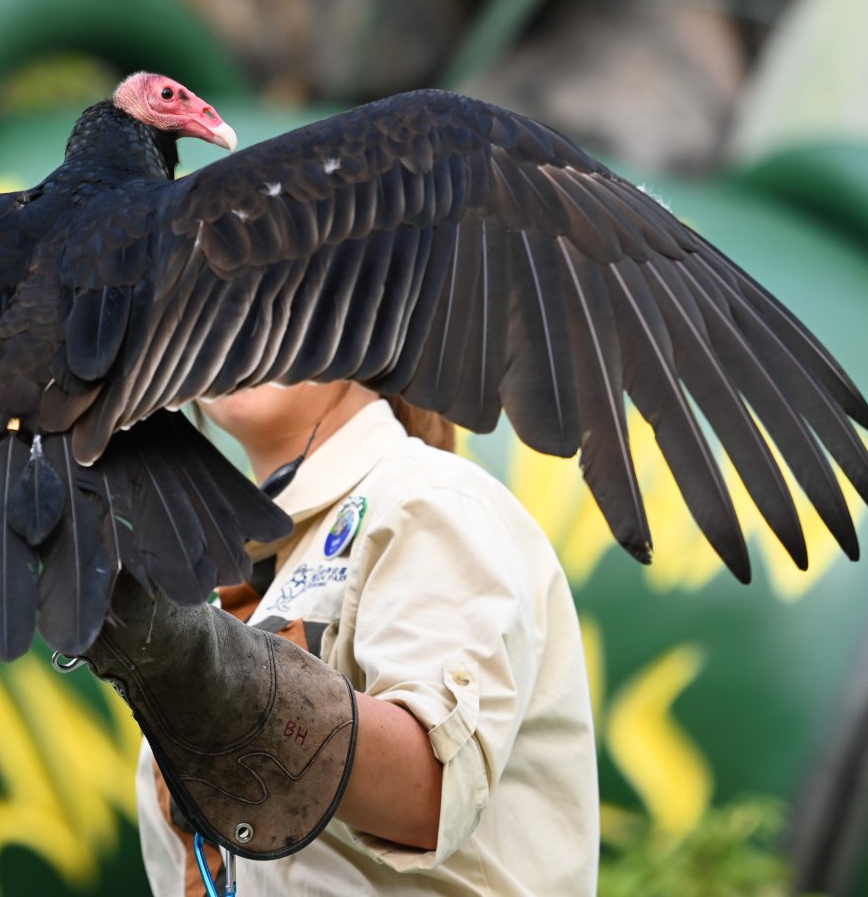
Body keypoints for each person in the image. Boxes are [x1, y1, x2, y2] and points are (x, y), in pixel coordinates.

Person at [77, 382, 599, 895]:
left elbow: (429, 792)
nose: (233, 319)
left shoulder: (429, 495)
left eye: (271, 294)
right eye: (203, 299)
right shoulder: (230, 578)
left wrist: (186, 655)